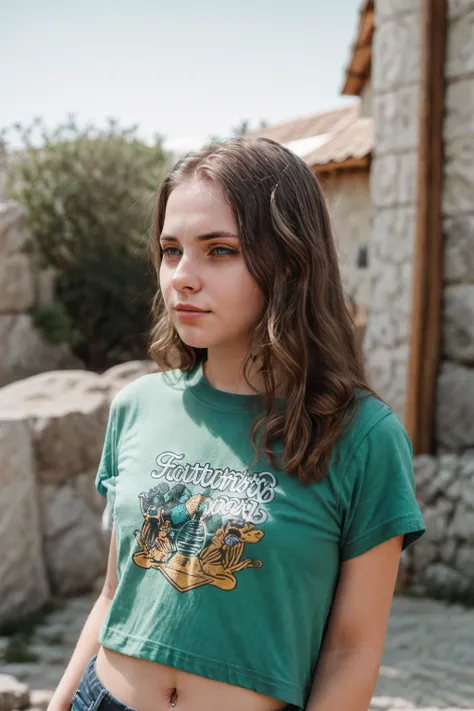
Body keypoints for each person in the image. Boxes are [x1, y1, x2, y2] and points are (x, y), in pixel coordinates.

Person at [48, 137, 426, 711]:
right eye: (170, 250)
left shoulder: (362, 437)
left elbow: (351, 652)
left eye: (219, 250)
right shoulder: (137, 406)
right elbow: (113, 594)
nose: (182, 276)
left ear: (291, 263)